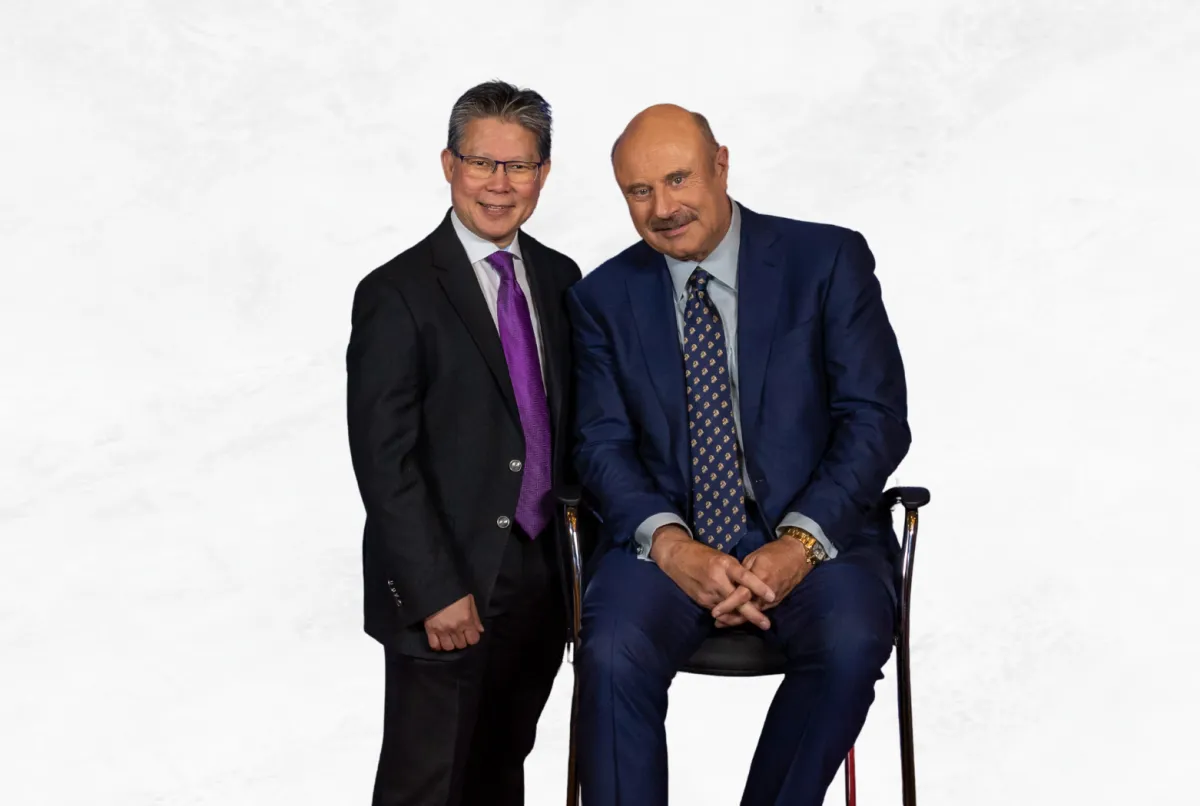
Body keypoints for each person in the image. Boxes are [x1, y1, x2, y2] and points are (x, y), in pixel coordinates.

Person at [566, 104, 911, 806]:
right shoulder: (600, 297)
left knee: (848, 642)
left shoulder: (826, 260)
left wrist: (798, 544)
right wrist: (671, 547)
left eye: (678, 178)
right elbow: (599, 444)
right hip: (666, 545)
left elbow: (875, 420)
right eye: (639, 191)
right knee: (607, 654)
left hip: (816, 537)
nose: (663, 207)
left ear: (721, 165)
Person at [345, 80, 581, 806]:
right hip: (446, 584)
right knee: (429, 781)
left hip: (541, 576)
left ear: (544, 172)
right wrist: (434, 588)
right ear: (448, 164)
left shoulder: (561, 279)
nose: (500, 185)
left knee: (497, 770)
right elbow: (384, 459)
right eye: (484, 163)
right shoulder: (397, 292)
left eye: (519, 166)